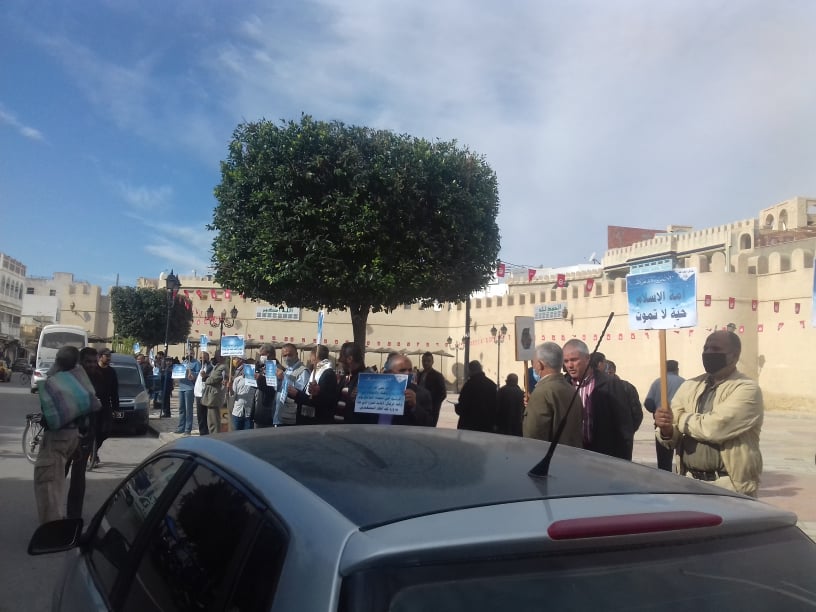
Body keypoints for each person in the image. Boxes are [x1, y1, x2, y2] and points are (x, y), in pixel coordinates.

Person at [655, 331, 764, 496]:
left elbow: (715, 428)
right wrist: (666, 429)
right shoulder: (690, 385)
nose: (708, 353)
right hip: (688, 480)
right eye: (706, 348)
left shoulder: (747, 388)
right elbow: (672, 436)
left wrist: (680, 417)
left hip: (729, 485)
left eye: (716, 349)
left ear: (734, 356)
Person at [34, 346, 100, 524]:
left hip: (60, 437)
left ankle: (53, 526)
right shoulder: (81, 379)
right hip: (75, 436)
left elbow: (51, 414)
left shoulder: (58, 381)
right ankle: (68, 518)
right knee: (62, 478)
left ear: (59, 361)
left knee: (49, 483)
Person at [562, 339, 637, 460]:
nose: (570, 365)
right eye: (566, 361)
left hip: (603, 456)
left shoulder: (610, 384)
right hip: (572, 455)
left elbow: (624, 426)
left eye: (574, 360)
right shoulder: (563, 385)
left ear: (587, 358)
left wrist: (622, 461)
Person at [523, 342, 583, 447]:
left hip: (550, 455)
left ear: (540, 364)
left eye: (534, 363)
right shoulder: (572, 389)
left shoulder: (541, 392)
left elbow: (534, 437)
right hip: (572, 453)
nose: (533, 367)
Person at [65, 347, 101, 519]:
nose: (92, 365)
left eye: (94, 361)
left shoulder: (99, 377)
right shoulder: (71, 378)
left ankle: (73, 516)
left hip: (87, 434)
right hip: (67, 433)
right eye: (88, 361)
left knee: (78, 476)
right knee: (60, 473)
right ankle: (53, 513)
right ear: (80, 362)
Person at [354, 353, 432, 425]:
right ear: (388, 373)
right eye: (402, 370)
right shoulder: (373, 390)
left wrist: (415, 406)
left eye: (410, 370)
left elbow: (429, 424)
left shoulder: (422, 394)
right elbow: (357, 420)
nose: (407, 373)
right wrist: (356, 401)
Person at [644, 360, 685, 471]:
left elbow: (648, 402)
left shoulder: (658, 382)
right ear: (677, 370)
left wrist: (656, 412)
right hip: (680, 422)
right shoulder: (684, 383)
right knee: (682, 456)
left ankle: (665, 477)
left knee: (664, 459)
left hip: (662, 422)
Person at [292, 345, 338, 424]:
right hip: (308, 416)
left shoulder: (328, 373)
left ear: (314, 356)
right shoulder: (316, 370)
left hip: (317, 419)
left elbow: (321, 400)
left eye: (310, 356)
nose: (310, 359)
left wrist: (297, 394)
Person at [90, 347, 119, 468]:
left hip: (105, 405)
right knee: (92, 430)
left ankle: (93, 451)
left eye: (110, 356)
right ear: (100, 356)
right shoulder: (92, 370)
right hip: (92, 405)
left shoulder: (111, 372)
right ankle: (92, 454)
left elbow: (114, 391)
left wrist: (116, 408)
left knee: (105, 431)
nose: (109, 358)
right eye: (107, 356)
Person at [455, 361, 497, 432]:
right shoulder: (492, 384)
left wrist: (457, 407)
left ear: (470, 370)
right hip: (486, 425)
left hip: (469, 425)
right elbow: (495, 405)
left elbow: (463, 404)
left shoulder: (469, 385)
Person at [605, 359, 644, 435]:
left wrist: (629, 431)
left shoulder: (627, 387)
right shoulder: (597, 387)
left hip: (622, 435)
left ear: (611, 372)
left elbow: (637, 413)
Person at [274, 343, 310, 426]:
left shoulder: (303, 371)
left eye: (290, 355)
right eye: (284, 355)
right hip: (281, 413)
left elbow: (300, 394)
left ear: (296, 354)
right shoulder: (287, 370)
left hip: (291, 416)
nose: (287, 358)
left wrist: (283, 379)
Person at [336, 342, 365, 423]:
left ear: (349, 359)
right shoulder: (346, 377)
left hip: (352, 428)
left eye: (341, 356)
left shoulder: (366, 379)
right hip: (337, 427)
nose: (339, 360)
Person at [417, 352, 447, 427]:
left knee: (430, 428)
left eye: (428, 361)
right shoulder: (419, 374)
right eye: (424, 361)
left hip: (432, 410)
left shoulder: (438, 376)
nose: (426, 363)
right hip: (419, 407)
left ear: (432, 362)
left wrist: (434, 405)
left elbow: (443, 393)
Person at [175, 350, 201, 435]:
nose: (188, 355)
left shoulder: (196, 363)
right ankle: (181, 427)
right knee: (181, 408)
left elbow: (198, 374)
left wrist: (191, 373)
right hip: (181, 387)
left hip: (189, 388)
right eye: (187, 353)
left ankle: (187, 429)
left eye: (190, 353)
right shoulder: (184, 362)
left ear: (193, 354)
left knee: (188, 409)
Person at [201, 351, 227, 434]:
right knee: (211, 420)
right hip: (211, 396)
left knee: (214, 421)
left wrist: (205, 377)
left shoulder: (223, 367)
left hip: (214, 397)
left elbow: (213, 379)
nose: (215, 358)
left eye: (216, 356)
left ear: (221, 357)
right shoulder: (217, 366)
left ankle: (215, 436)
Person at [253, 344, 278, 428]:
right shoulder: (262, 367)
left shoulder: (277, 369)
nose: (260, 357)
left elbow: (273, 390)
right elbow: (258, 387)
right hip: (259, 411)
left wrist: (260, 379)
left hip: (268, 412)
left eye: (262, 355)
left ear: (269, 354)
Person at [230, 357, 255, 430]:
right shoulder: (237, 379)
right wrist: (230, 388)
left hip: (249, 413)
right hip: (237, 412)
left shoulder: (255, 380)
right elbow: (232, 395)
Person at [194, 351, 213, 435]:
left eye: (203, 357)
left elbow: (210, 379)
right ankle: (202, 432)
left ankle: (204, 433)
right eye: (200, 358)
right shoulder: (201, 367)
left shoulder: (210, 367)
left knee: (203, 415)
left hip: (204, 394)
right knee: (200, 416)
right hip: (198, 394)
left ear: (207, 358)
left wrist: (205, 376)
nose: (202, 359)